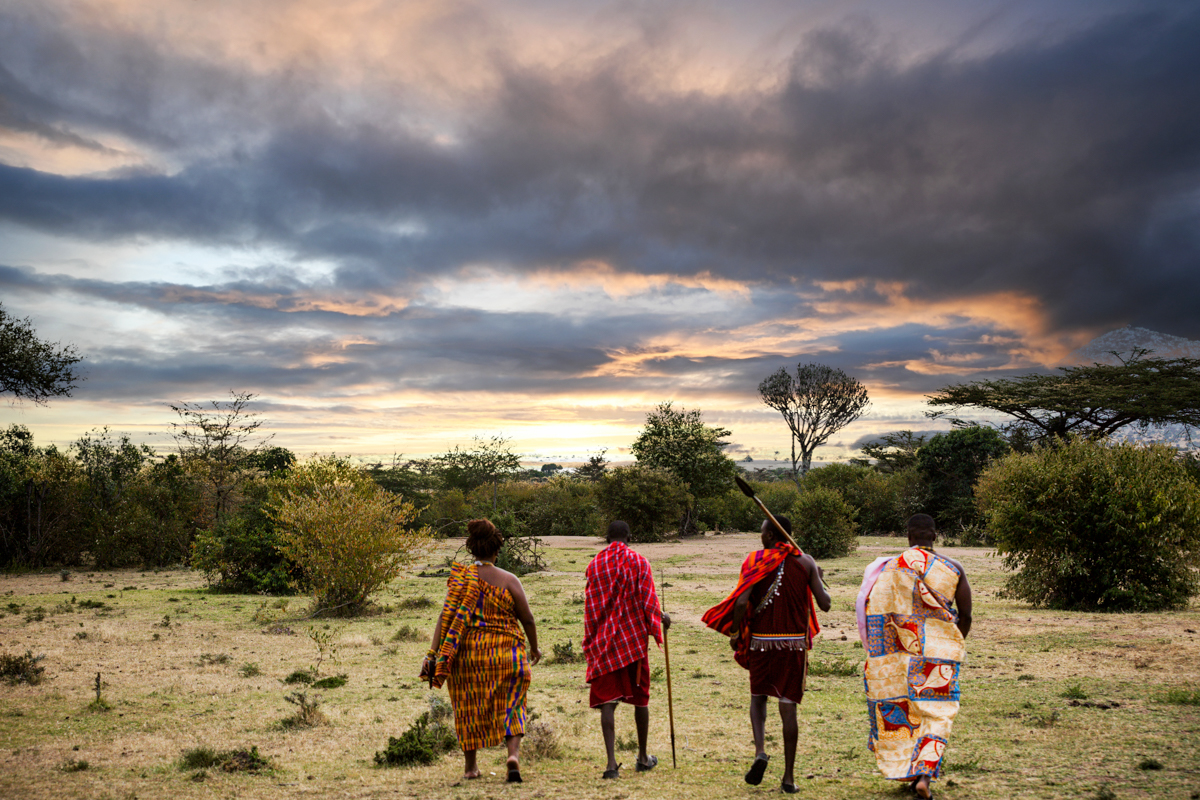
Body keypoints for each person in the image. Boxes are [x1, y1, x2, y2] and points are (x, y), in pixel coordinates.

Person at [702, 516, 831, 794]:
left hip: (761, 643)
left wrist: (735, 632)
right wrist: (816, 576)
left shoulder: (755, 561)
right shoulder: (806, 562)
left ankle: (760, 751)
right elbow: (826, 604)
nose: (759, 537)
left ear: (772, 535)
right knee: (788, 707)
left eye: (762, 532)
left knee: (758, 697)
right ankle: (788, 778)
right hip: (794, 646)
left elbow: (741, 601)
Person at [856, 513, 972, 800]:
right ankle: (924, 775)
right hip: (938, 655)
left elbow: (874, 610)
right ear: (935, 535)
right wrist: (950, 646)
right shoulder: (953, 567)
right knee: (938, 714)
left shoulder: (889, 567)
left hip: (896, 656)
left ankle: (907, 769)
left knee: (902, 711)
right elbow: (966, 615)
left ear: (908, 537)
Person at [421, 519, 542, 783]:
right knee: (512, 703)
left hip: (468, 657)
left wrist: (432, 653)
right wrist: (534, 647)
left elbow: (445, 618)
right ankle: (513, 755)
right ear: (497, 550)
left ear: (472, 549)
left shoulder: (460, 581)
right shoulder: (509, 580)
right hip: (507, 654)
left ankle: (471, 767)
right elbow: (528, 619)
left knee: (467, 707)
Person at [582, 520, 671, 779]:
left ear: (607, 537)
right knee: (640, 700)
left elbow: (592, 606)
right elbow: (648, 601)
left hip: (604, 643)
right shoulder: (640, 562)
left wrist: (593, 638)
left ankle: (611, 765)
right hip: (633, 643)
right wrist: (661, 619)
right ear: (628, 537)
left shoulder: (594, 565)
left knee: (607, 702)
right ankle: (643, 757)